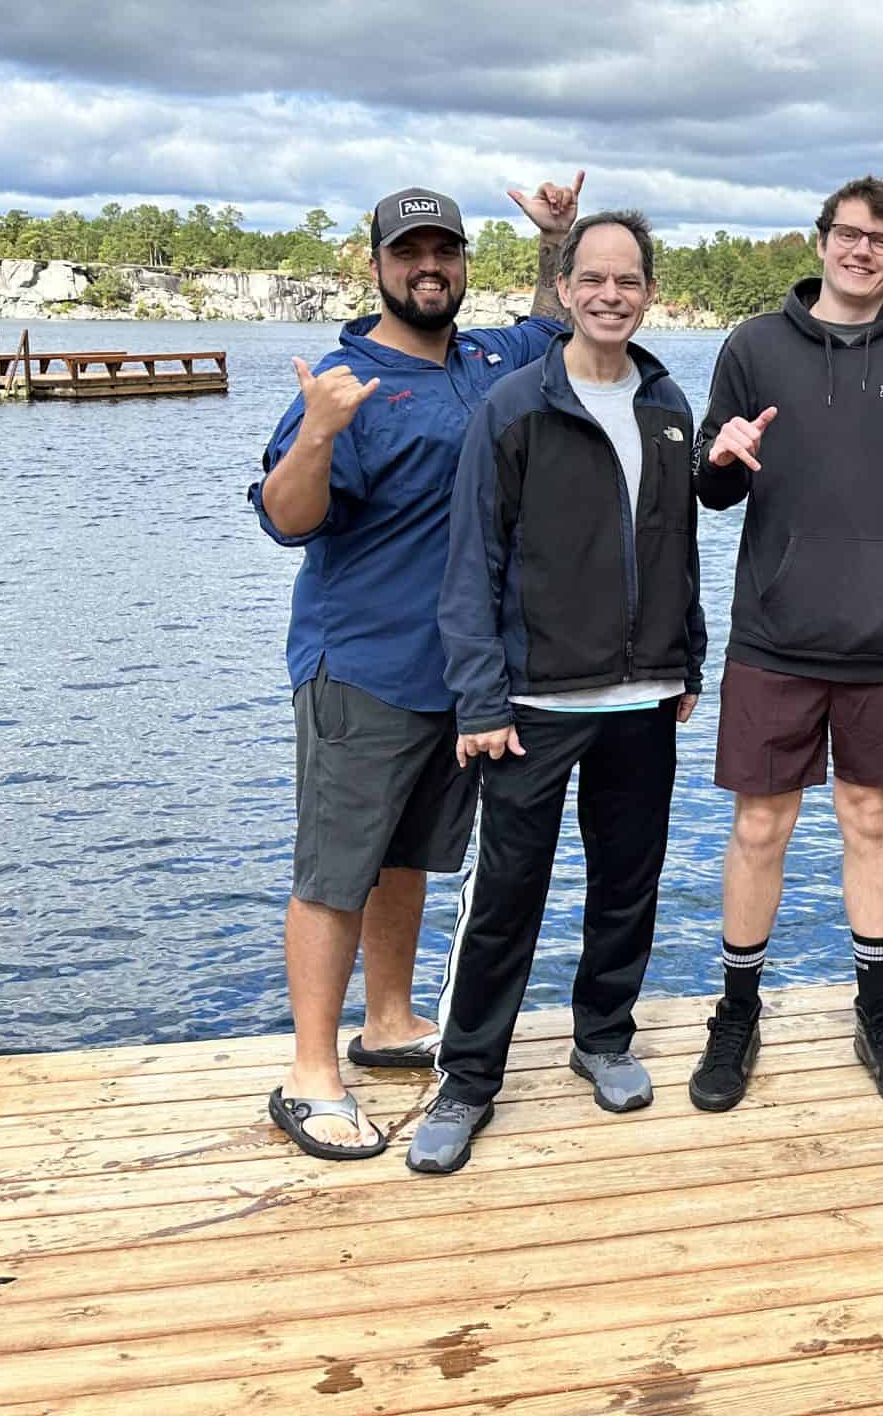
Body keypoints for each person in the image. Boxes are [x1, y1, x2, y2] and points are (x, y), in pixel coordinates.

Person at [254, 174, 582, 1159]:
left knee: (405, 858)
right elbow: (285, 517)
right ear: (377, 267)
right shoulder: (347, 382)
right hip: (362, 665)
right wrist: (318, 434)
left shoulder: (487, 359)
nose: (428, 267)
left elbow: (552, 323)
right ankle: (310, 1073)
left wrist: (556, 239)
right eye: (409, 254)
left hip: (460, 675)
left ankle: (388, 1021)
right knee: (334, 868)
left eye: (443, 252)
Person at [410, 211, 704, 1175]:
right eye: (595, 278)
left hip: (644, 697)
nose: (612, 294)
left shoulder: (666, 405)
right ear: (567, 288)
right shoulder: (515, 406)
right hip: (535, 702)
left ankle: (603, 1036)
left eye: (630, 280)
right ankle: (467, 1078)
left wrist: (687, 658)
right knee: (504, 896)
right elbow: (472, 563)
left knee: (628, 885)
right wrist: (481, 700)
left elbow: (674, 546)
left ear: (648, 291)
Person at [688, 176, 883, 1112]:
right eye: (849, 235)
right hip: (773, 635)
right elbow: (713, 481)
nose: (863, 252)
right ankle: (737, 1012)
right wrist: (719, 460)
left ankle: (875, 1008)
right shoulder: (752, 347)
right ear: (820, 241)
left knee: (872, 822)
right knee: (760, 825)